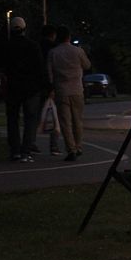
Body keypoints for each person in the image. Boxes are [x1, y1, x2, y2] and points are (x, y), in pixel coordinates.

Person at [4, 17, 45, 162]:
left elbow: (1, 67)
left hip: (13, 88)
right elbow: (40, 68)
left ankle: (14, 150)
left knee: (12, 119)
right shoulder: (32, 46)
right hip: (31, 88)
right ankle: (26, 151)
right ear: (24, 28)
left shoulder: (6, 47)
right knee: (30, 120)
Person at [48, 25, 91, 161]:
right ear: (69, 37)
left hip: (61, 90)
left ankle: (70, 149)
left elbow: (49, 74)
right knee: (77, 120)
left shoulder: (53, 53)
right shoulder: (78, 51)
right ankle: (78, 147)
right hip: (77, 90)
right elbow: (87, 65)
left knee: (65, 122)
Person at [39, 24, 62, 156]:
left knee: (36, 115)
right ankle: (54, 146)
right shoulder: (54, 49)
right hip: (52, 86)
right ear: (53, 35)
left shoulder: (37, 46)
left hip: (38, 86)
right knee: (54, 116)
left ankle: (31, 144)